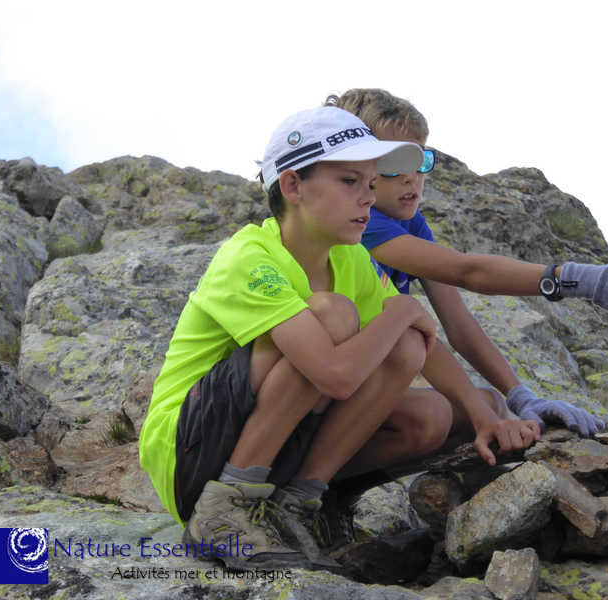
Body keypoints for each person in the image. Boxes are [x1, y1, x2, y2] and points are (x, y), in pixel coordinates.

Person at [139, 105, 440, 572]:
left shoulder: (350, 257)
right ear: (293, 186)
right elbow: (336, 376)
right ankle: (223, 509)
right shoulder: (248, 254)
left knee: (425, 399)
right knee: (333, 317)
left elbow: (412, 346)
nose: (368, 197)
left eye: (370, 182)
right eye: (350, 181)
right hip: (187, 450)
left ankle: (297, 505)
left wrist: (491, 413)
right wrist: (401, 310)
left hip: (270, 433)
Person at [328, 88, 608, 446]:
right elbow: (467, 272)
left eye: (421, 160)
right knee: (429, 407)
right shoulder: (362, 223)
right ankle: (320, 472)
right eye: (393, 163)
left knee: (492, 405)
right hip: (329, 379)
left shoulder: (410, 223)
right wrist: (575, 279)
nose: (412, 176)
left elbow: (459, 324)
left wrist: (522, 397)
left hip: (363, 380)